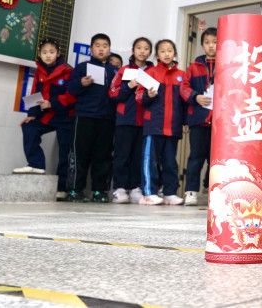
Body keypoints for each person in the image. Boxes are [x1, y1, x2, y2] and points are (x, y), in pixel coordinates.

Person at [14, 38, 75, 201]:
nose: (48, 55)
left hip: (66, 117)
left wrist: (52, 103)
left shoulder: (68, 71)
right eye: (44, 52)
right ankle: (36, 164)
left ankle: (62, 188)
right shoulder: (39, 71)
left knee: (65, 152)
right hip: (47, 115)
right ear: (40, 54)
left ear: (58, 53)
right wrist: (31, 115)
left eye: (52, 52)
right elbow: (35, 94)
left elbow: (72, 95)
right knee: (28, 126)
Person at [66, 33, 117, 203]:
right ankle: (75, 189)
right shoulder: (82, 67)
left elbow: (118, 94)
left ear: (109, 49)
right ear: (91, 49)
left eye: (105, 46)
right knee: (79, 154)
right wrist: (81, 83)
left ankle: (99, 191)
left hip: (107, 119)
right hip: (84, 116)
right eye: (97, 45)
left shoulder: (114, 71)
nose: (101, 49)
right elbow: (70, 89)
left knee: (103, 156)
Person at [137, 39, 186, 205]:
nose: (166, 54)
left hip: (173, 126)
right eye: (162, 51)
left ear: (175, 53)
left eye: (170, 50)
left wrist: (185, 122)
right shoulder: (150, 73)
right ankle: (149, 192)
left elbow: (184, 102)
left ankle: (169, 193)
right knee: (150, 160)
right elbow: (139, 97)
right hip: (154, 125)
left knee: (170, 162)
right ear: (157, 55)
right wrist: (148, 95)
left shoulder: (181, 75)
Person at [109, 37, 153, 204]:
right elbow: (113, 93)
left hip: (145, 121)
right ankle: (119, 188)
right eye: (139, 48)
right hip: (125, 119)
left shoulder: (153, 71)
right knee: (122, 155)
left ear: (150, 52)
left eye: (146, 48)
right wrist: (129, 86)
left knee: (138, 156)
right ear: (133, 50)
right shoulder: (124, 70)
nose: (142, 51)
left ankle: (135, 187)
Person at [181, 27, 217, 206]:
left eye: (215, 42)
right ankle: (191, 191)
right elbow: (183, 87)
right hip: (198, 119)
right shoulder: (194, 67)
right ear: (202, 45)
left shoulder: (227, 65)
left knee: (216, 160)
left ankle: (215, 192)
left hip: (219, 121)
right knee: (196, 157)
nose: (211, 46)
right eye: (207, 42)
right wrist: (195, 97)